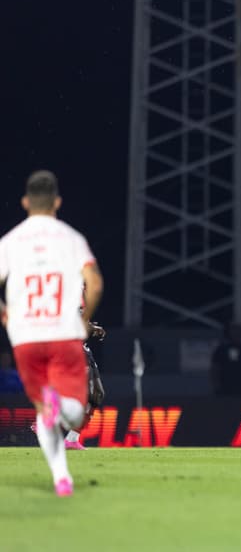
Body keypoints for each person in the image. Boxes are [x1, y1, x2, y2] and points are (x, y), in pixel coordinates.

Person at [0, 170, 104, 497]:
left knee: (45, 411)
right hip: (62, 335)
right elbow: (96, 284)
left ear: (25, 202)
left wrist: (5, 315)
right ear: (57, 201)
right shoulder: (71, 240)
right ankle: (61, 412)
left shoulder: (11, 241)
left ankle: (62, 478)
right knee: (74, 411)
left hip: (26, 338)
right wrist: (84, 321)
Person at [63, 321, 106, 450]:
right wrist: (92, 327)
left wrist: (91, 327)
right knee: (87, 395)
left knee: (95, 395)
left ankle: (72, 439)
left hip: (81, 349)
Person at [210, 322, 241, 396]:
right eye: (233, 330)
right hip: (224, 389)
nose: (235, 333)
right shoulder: (221, 350)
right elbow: (215, 369)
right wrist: (216, 387)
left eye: (237, 330)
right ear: (228, 332)